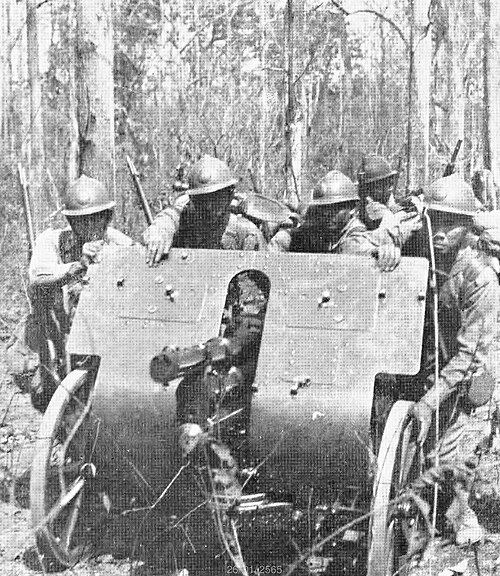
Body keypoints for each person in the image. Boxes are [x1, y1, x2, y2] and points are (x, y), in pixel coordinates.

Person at [409, 174, 499, 547]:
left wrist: (431, 400)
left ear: (467, 227)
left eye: (452, 223)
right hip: (433, 363)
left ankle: (463, 518)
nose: (441, 232)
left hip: (470, 373)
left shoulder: (479, 278)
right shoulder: (421, 254)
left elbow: (470, 354)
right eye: (436, 221)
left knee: (451, 455)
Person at [28, 174, 133, 410]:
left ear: (107, 217)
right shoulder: (52, 240)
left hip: (103, 342)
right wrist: (77, 267)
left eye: (95, 219)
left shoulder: (121, 245)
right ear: (71, 222)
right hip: (57, 343)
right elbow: (37, 277)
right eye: (81, 221)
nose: (88, 227)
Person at [270, 168, 421, 271]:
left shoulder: (357, 236)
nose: (328, 214)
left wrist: (384, 252)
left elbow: (363, 249)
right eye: (324, 208)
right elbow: (286, 241)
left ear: (352, 209)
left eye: (336, 209)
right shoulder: (314, 228)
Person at [143, 154, 266, 265]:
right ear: (191, 199)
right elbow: (168, 218)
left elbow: (267, 274)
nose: (208, 207)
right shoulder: (184, 219)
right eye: (201, 200)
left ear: (229, 196)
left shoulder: (246, 233)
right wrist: (159, 232)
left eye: (216, 198)